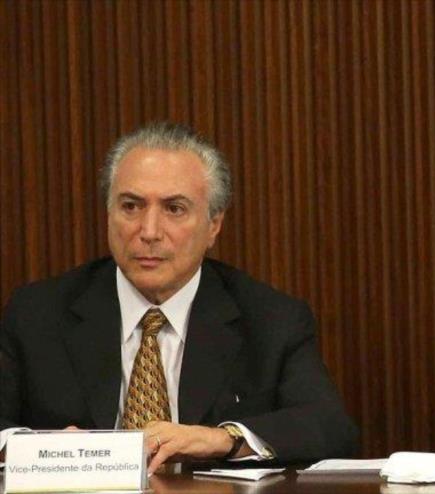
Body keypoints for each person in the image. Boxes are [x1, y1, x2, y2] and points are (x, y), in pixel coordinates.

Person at [0, 122, 358, 471]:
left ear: (213, 224)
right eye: (131, 206)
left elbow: (329, 427)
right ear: (108, 214)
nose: (149, 231)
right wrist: (39, 450)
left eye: (174, 209)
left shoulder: (270, 319)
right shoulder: (37, 315)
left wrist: (224, 439)